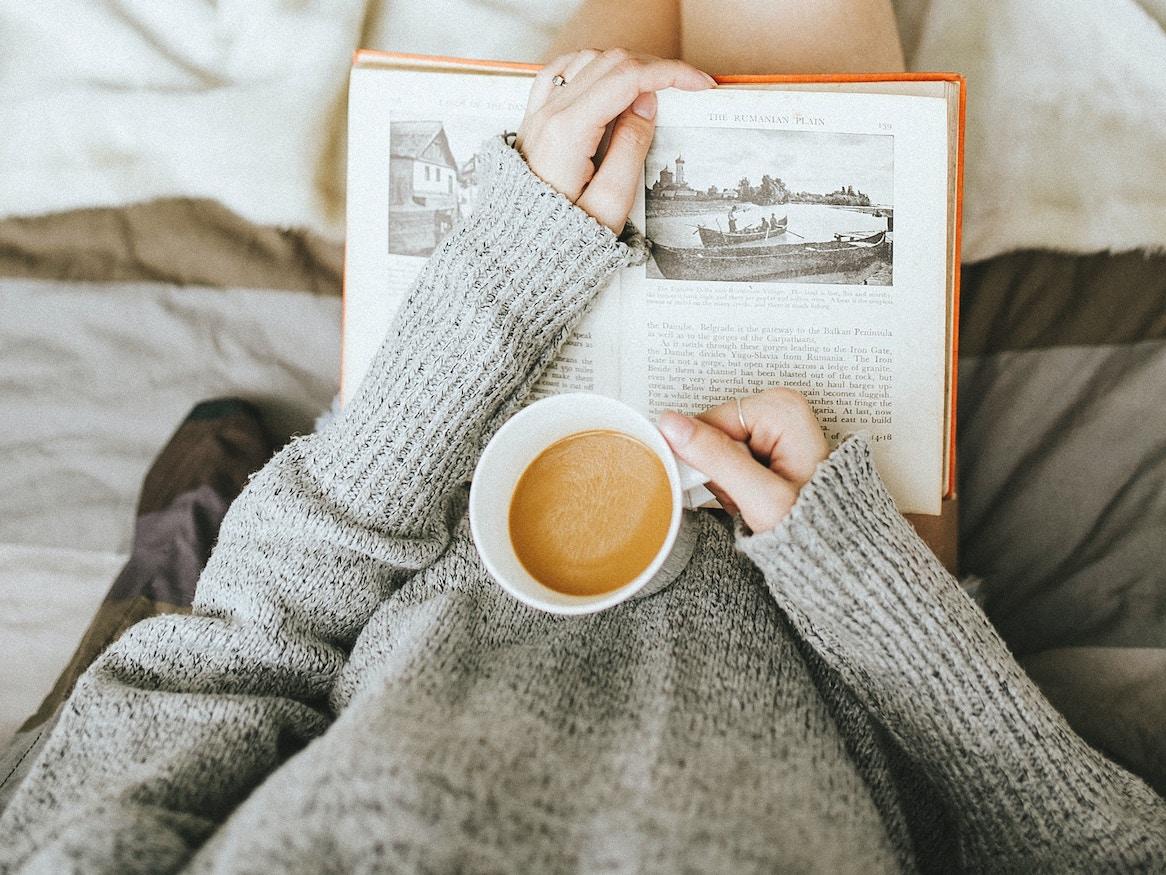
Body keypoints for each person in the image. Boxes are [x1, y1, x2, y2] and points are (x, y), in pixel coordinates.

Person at [1, 51, 1163, 874]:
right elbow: (1095, 845)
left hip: (453, 509)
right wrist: (861, 579)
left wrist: (501, 276)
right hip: (843, 610)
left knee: (613, 79)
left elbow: (217, 673)